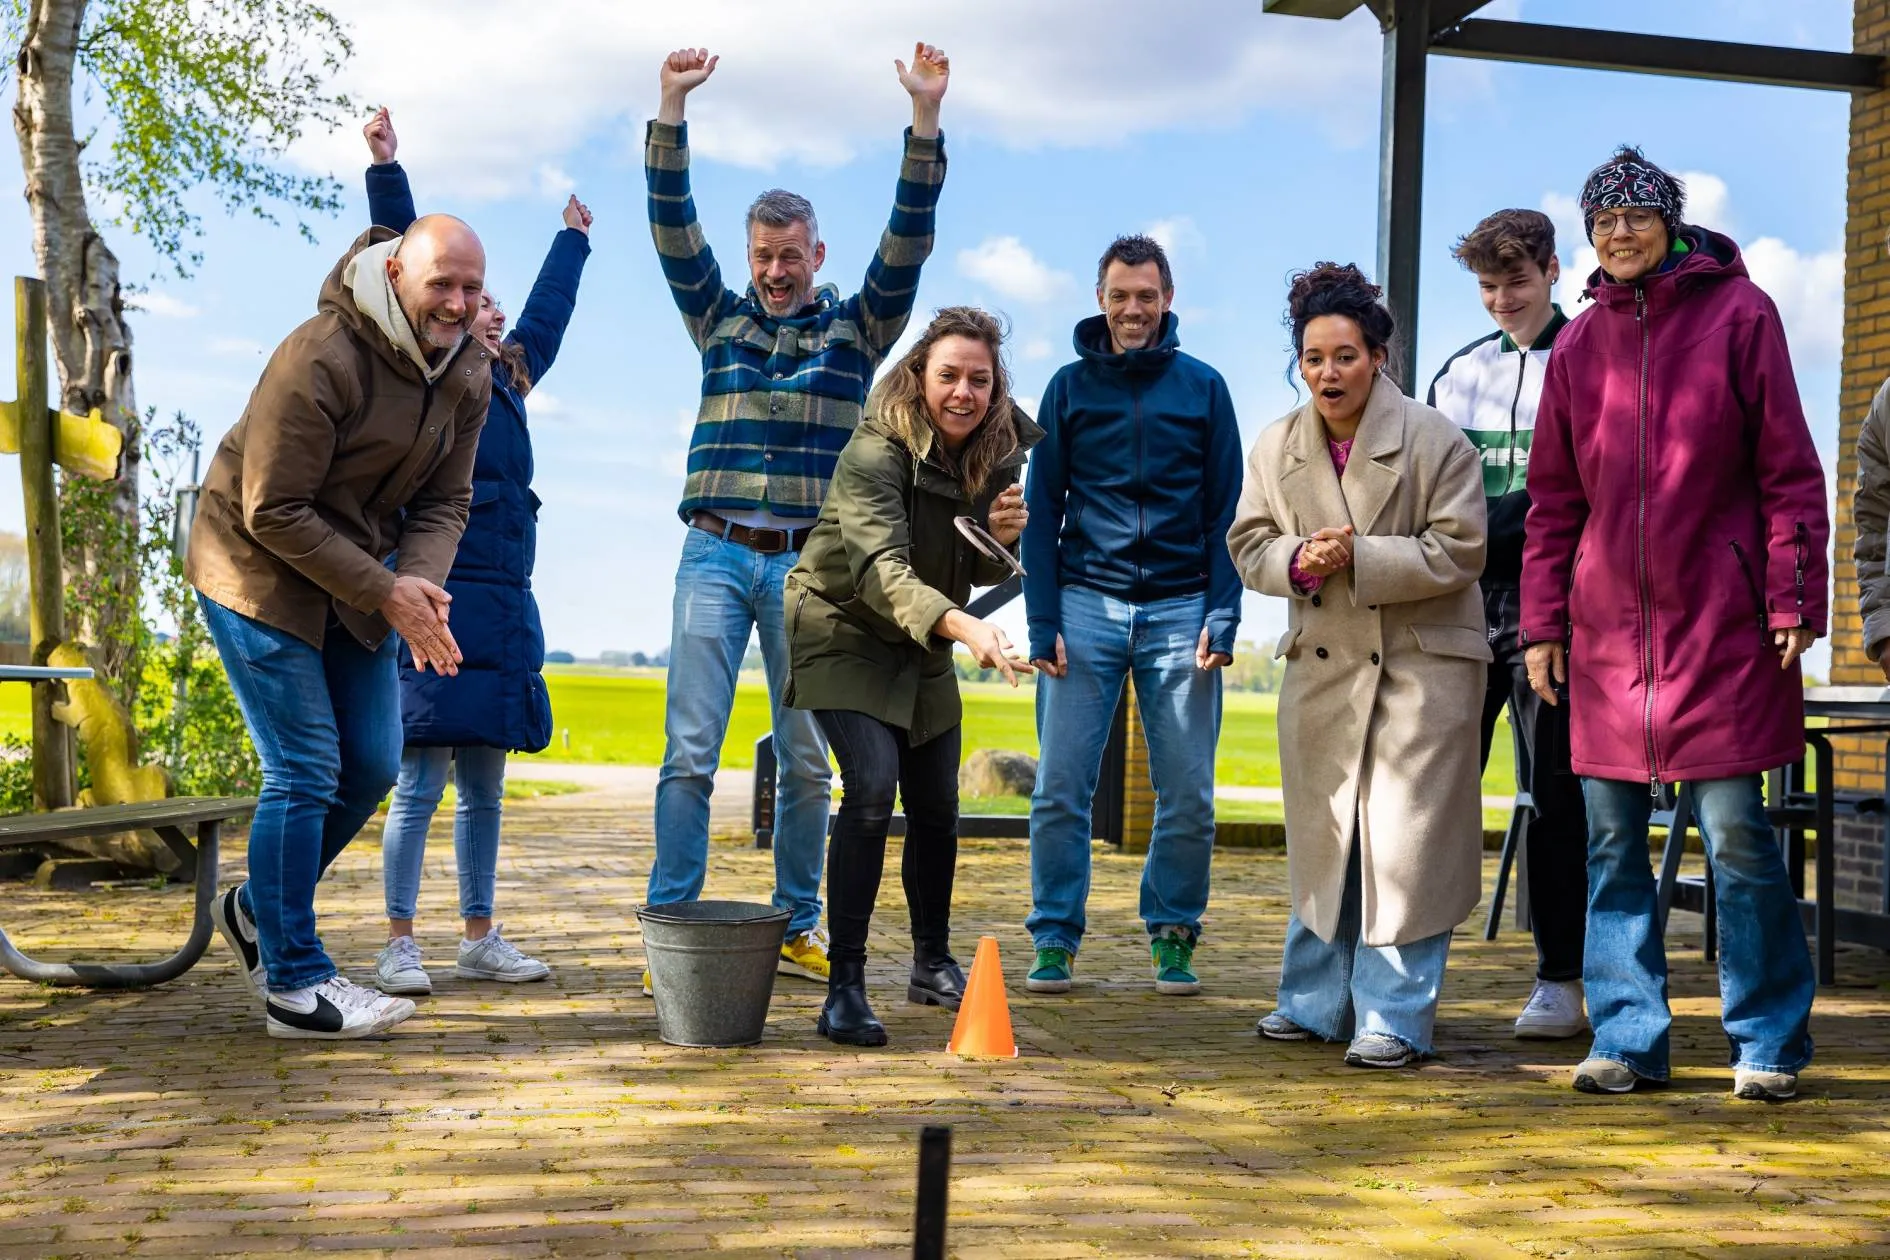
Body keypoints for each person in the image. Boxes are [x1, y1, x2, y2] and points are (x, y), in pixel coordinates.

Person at [643, 43, 951, 992]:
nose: (776, 271)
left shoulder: (855, 330)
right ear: (751, 260)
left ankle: (799, 922)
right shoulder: (717, 319)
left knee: (808, 759)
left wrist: (925, 121)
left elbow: (909, 238)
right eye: (763, 257)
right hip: (714, 554)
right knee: (690, 750)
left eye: (791, 256)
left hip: (808, 571)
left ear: (817, 256)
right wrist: (670, 107)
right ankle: (674, 925)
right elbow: (670, 223)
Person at [1521, 146, 1828, 1101]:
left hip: (1725, 628)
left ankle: (1768, 1040)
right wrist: (1543, 625)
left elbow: (1790, 472)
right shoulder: (1575, 347)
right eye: (1602, 220)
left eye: (1636, 215)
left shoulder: (1744, 316)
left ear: (1671, 222)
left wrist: (1793, 597)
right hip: (1607, 640)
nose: (1619, 232)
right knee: (1610, 842)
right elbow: (1552, 502)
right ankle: (1627, 1038)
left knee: (1738, 834)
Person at [190, 213, 492, 1038]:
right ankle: (295, 983)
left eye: (472, 287)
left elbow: (445, 500)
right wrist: (388, 590)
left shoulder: (469, 373)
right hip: (253, 568)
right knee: (305, 767)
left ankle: (256, 910)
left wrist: (419, 584)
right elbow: (271, 508)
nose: (460, 304)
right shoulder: (319, 354)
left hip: (360, 577)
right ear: (395, 275)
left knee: (370, 761)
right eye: (443, 284)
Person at [1228, 263, 1489, 1069]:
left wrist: (1363, 555)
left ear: (1378, 356)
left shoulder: (1435, 438)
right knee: (1326, 834)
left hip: (1422, 668)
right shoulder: (1276, 444)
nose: (1328, 373)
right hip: (1324, 665)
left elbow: (1464, 547)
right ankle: (1311, 1004)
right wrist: (1299, 560)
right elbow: (1247, 545)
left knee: (1402, 847)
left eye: (1345, 356)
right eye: (1313, 358)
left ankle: (1395, 1018)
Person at [357, 108, 592, 996]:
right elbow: (401, 253)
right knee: (418, 786)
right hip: (433, 596)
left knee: (485, 789)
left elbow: (550, 314)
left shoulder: (513, 380)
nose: (480, 309)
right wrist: (388, 168)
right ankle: (399, 941)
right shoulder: (424, 369)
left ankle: (481, 934)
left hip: (502, 605)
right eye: (469, 301)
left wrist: (570, 243)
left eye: (492, 305)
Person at [784, 307, 1039, 1046]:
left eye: (979, 380)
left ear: (995, 387)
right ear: (920, 374)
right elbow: (881, 570)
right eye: (949, 376)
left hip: (921, 639)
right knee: (869, 788)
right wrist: (964, 626)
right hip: (841, 625)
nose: (963, 392)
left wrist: (1002, 545)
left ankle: (930, 964)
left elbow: (973, 558)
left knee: (936, 802)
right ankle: (845, 988)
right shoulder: (876, 446)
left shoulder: (1000, 451)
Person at [1021, 234, 1242, 998]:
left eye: (1146, 295)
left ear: (1168, 300)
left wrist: (1224, 610)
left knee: (1188, 793)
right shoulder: (1068, 388)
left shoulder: (1205, 389)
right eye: (1120, 295)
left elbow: (1226, 515)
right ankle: (1054, 936)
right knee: (1059, 787)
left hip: (1184, 609)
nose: (1133, 309)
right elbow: (1042, 508)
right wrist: (1041, 617)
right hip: (1083, 604)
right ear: (1100, 299)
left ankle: (1174, 934)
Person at [1428, 209, 1590, 1040]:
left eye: (1516, 282)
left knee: (1555, 796)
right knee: (1436, 790)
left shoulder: (1588, 356)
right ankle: (1409, 969)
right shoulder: (1456, 375)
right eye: (1488, 287)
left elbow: (1578, 495)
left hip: (1558, 612)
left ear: (1555, 270)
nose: (1501, 300)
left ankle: (1562, 980)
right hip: (1463, 609)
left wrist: (1486, 532)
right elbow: (1432, 493)